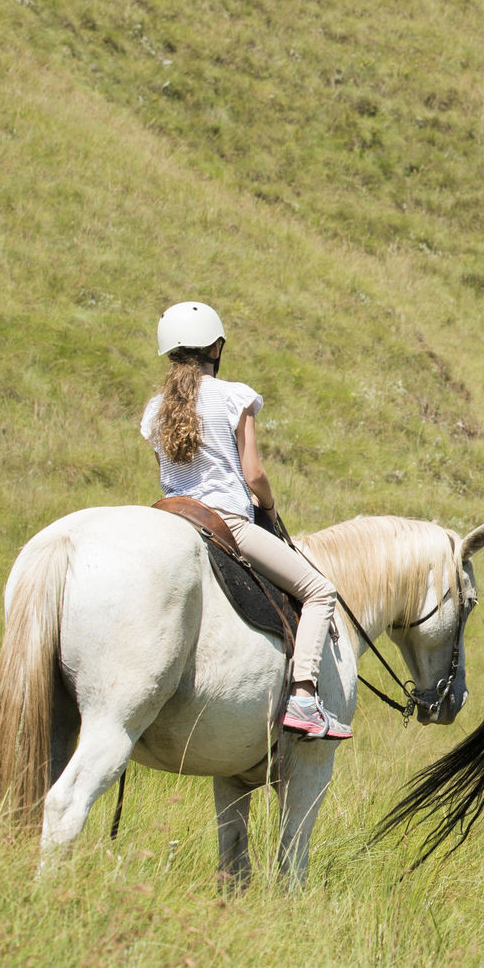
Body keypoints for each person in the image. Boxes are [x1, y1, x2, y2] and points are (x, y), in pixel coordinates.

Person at [141, 302, 350, 740]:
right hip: (225, 522)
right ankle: (306, 698)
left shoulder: (155, 409)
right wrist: (269, 507)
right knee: (319, 590)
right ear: (216, 347)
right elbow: (253, 474)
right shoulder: (234, 396)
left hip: (170, 517)